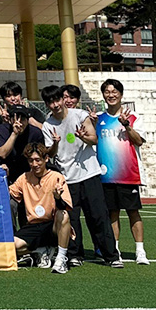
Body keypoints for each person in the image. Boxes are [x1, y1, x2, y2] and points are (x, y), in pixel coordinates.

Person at [41, 84, 122, 268]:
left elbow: (94, 139)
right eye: (50, 102)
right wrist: (54, 143)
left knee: (98, 216)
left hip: (89, 174)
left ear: (63, 99)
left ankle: (111, 255)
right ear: (47, 104)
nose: (55, 105)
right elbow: (50, 153)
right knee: (72, 219)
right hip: (67, 178)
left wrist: (83, 137)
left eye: (57, 100)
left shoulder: (79, 115)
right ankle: (75, 255)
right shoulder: (48, 125)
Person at [97, 78, 149, 264]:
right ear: (103, 95)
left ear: (121, 94)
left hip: (129, 174)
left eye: (114, 92)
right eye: (107, 92)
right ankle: (114, 250)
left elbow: (139, 141)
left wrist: (126, 125)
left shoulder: (133, 117)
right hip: (106, 176)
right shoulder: (98, 118)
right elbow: (91, 141)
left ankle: (140, 251)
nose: (111, 95)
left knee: (133, 212)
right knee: (112, 213)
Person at [8, 143, 72, 274]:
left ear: (46, 159)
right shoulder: (24, 178)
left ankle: (61, 259)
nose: (34, 164)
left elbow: (64, 206)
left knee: (64, 215)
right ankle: (41, 250)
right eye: (31, 160)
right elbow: (7, 194)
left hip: (52, 225)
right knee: (11, 247)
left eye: (38, 160)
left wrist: (57, 197)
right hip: (33, 225)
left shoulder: (56, 177)